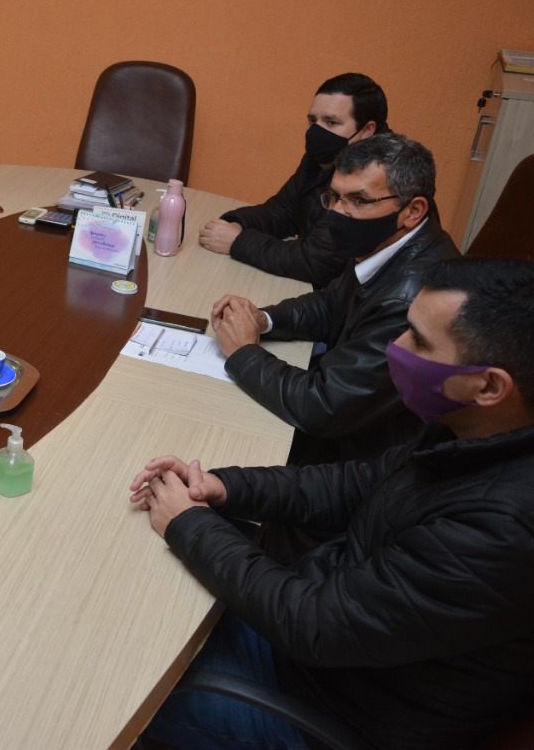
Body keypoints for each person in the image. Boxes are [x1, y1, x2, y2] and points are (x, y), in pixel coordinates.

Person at [128, 256, 534, 750]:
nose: (395, 347)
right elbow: (355, 483)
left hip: (327, 707)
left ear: (489, 386)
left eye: (419, 341)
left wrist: (189, 523)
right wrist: (223, 486)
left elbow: (313, 625)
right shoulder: (474, 430)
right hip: (329, 641)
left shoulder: (500, 531)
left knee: (114, 678)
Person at [210, 132, 458, 464]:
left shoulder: (410, 302)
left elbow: (324, 405)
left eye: (358, 200)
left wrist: (244, 353)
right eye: (335, 197)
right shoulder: (390, 243)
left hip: (366, 461)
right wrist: (264, 319)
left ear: (412, 210)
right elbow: (331, 303)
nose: (337, 213)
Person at [199, 73, 388, 288]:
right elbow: (284, 211)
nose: (316, 131)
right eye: (312, 121)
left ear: (367, 131)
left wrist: (237, 241)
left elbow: (316, 262)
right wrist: (236, 222)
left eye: (331, 122)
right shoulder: (327, 156)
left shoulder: (376, 179)